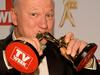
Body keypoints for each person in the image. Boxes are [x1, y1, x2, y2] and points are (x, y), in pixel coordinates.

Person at [0, 0, 100, 75]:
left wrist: (86, 62)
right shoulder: (1, 56)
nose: (44, 25)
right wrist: (11, 57)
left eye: (49, 15)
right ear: (14, 17)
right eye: (34, 14)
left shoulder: (63, 56)